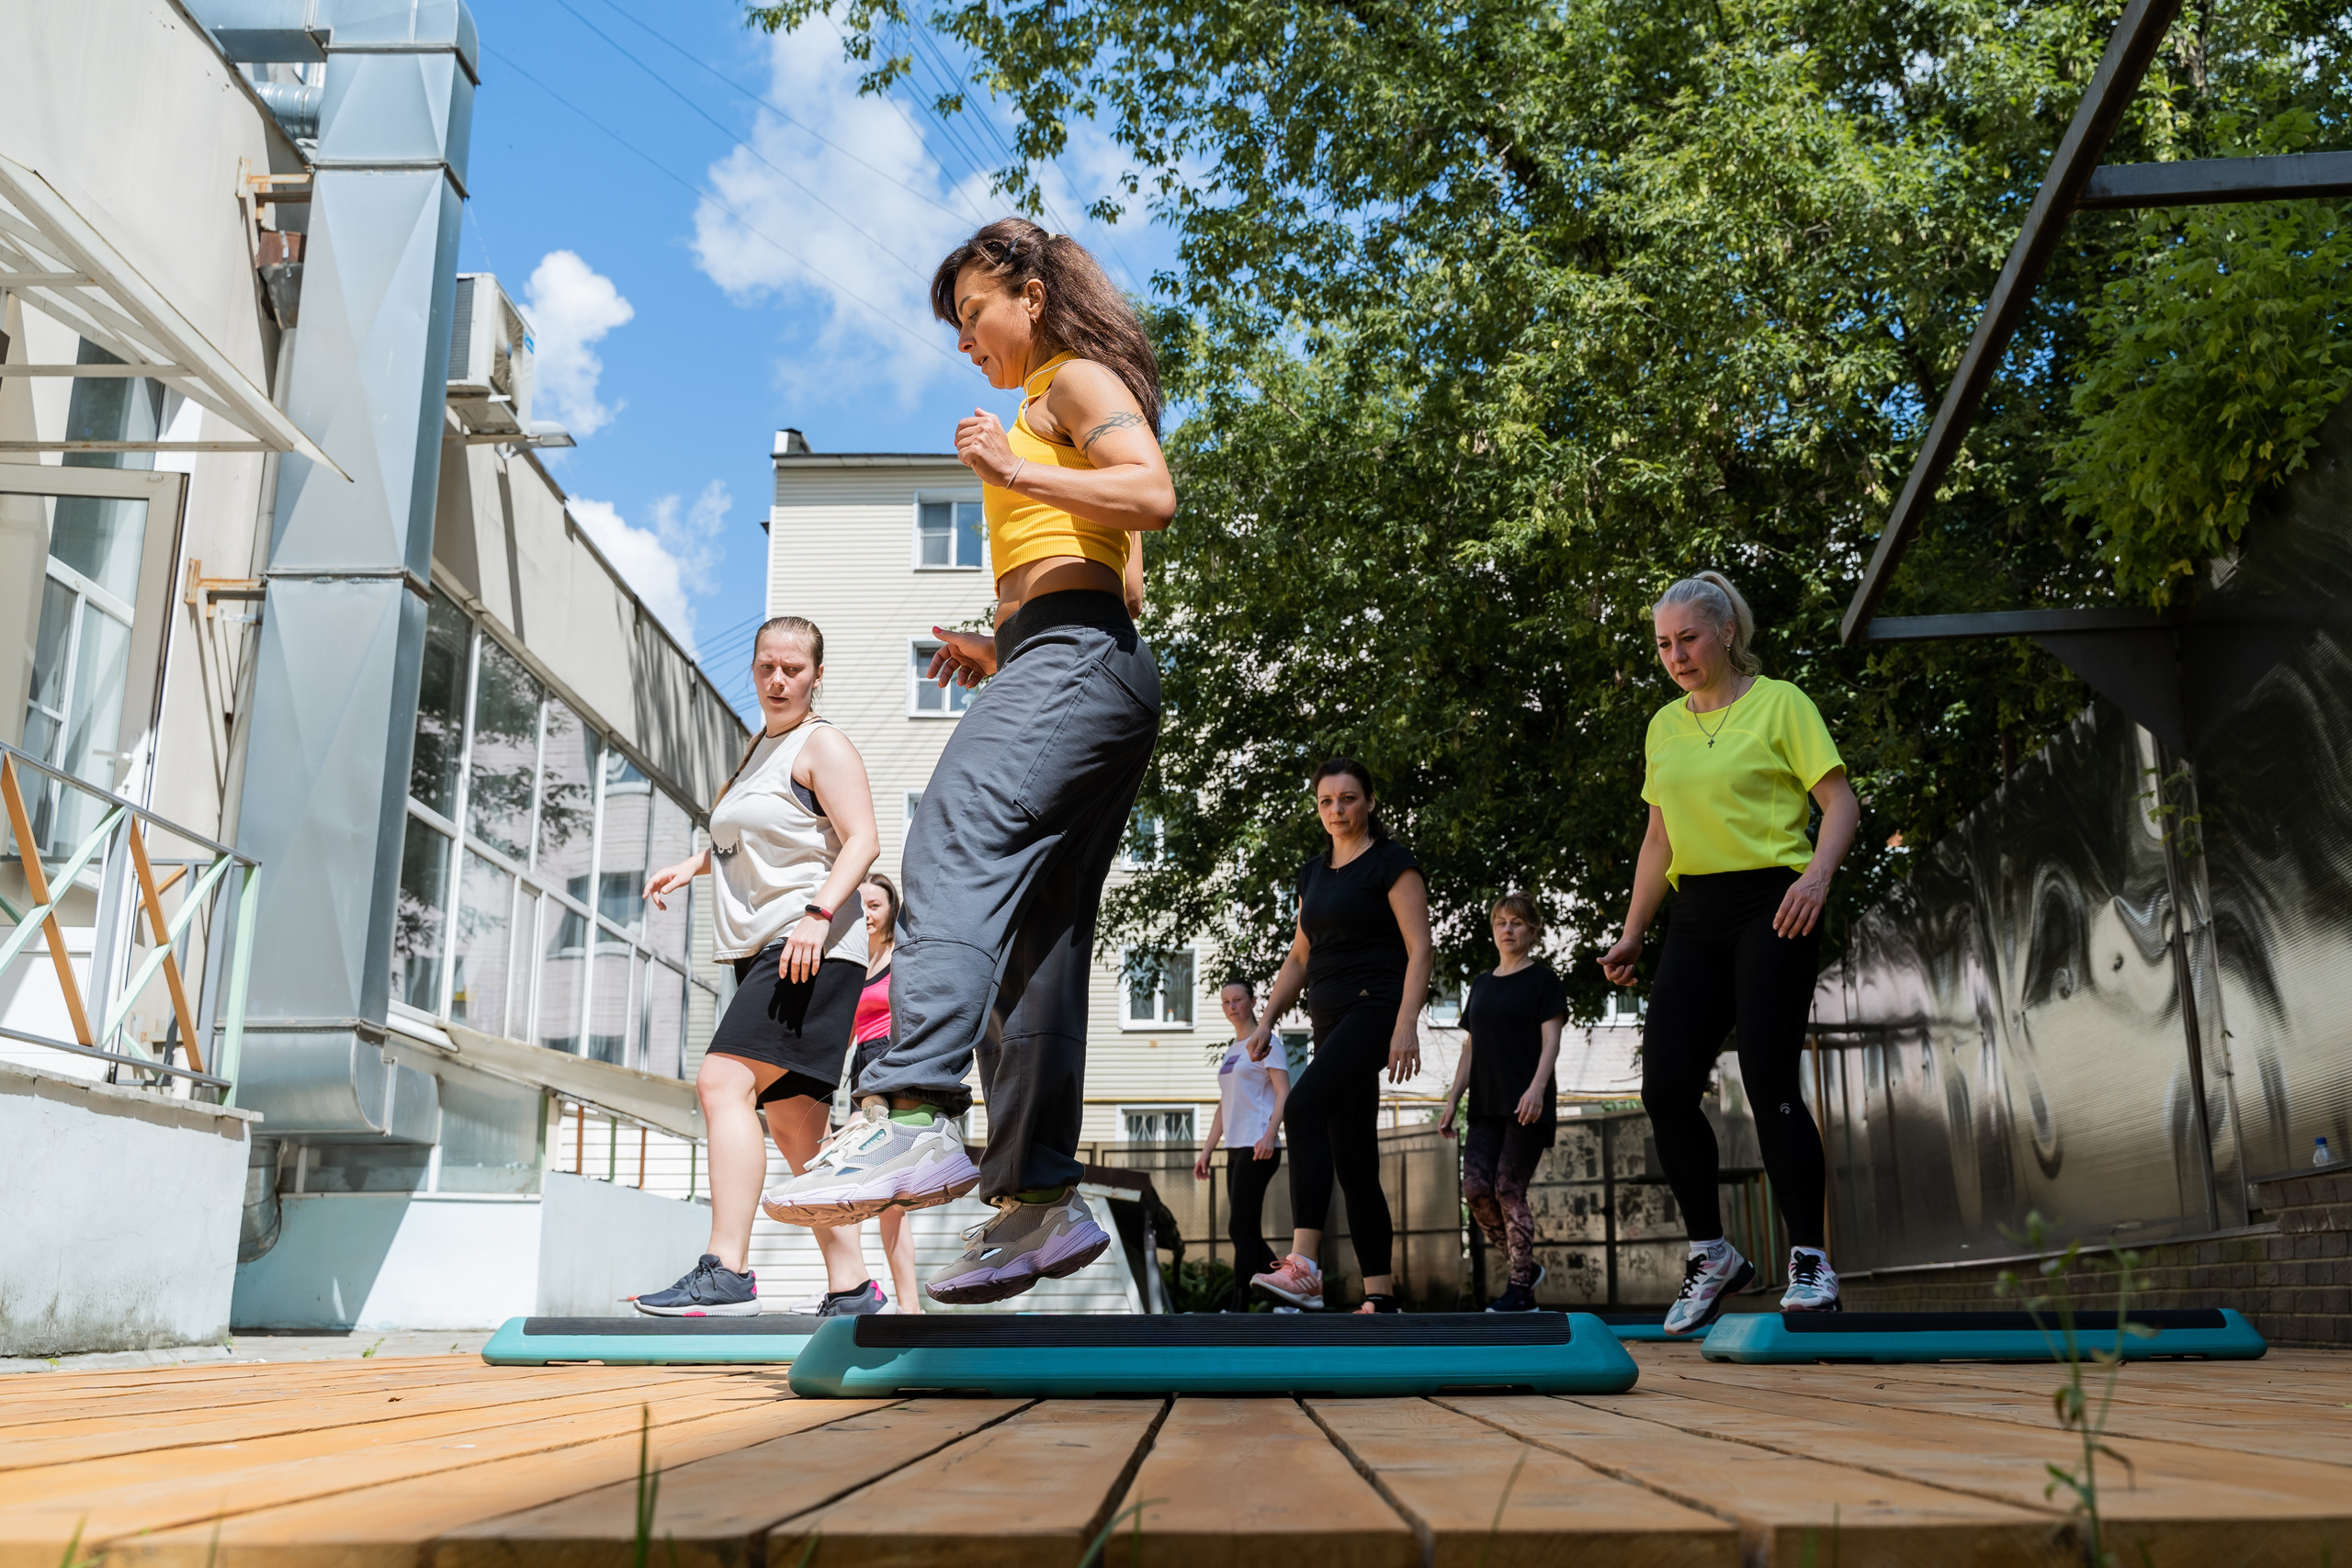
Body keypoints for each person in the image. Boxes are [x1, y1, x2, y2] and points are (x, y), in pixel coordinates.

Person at [761, 218, 1173, 1307]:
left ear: (1030, 293)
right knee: (1035, 942)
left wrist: (1009, 470)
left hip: (1082, 661)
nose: (962, 341)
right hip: (1079, 656)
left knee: (950, 834)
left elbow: (1151, 495)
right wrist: (1000, 647)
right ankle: (1037, 1199)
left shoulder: (1071, 382)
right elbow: (1115, 582)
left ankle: (907, 1111)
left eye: (972, 313)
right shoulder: (1045, 413)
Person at [1599, 570, 1859, 1334]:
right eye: (1663, 644)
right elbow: (1659, 837)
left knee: (1767, 1074)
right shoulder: (1664, 726)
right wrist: (1633, 928)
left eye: (1688, 639)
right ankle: (1712, 1252)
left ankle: (1810, 1259)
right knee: (1665, 1086)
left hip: (1773, 902)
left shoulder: (1781, 703)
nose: (1675, 655)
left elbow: (1840, 802)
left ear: (1726, 634)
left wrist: (1816, 877)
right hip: (1698, 912)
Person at [631, 616, 886, 1318]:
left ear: (816, 675)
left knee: (720, 1082)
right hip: (766, 950)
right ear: (754, 668)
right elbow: (751, 833)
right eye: (768, 667)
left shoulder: (820, 742)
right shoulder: (758, 750)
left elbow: (862, 836)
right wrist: (694, 862)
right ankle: (853, 1287)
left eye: (794, 670)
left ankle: (727, 1267)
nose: (779, 680)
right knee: (798, 1127)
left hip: (810, 947)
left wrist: (817, 911)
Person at [1239, 760, 1433, 1314]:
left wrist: (1405, 1023)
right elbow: (1300, 956)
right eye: (1327, 801)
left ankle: (1304, 1265)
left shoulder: (1393, 864)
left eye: (1348, 799)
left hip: (1375, 1010)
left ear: (1369, 802)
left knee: (1302, 1108)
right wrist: (1268, 1018)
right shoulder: (1314, 874)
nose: (1337, 810)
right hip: (1329, 1023)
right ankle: (1381, 1295)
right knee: (1353, 1160)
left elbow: (1420, 948)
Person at [1438, 894, 1566, 1313]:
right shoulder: (1481, 984)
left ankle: (1521, 1290)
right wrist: (1453, 1098)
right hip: (1485, 1105)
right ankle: (1524, 1265)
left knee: (1509, 1189)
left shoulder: (1544, 980)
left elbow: (1551, 1041)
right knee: (1476, 1191)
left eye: (1516, 923)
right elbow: (1471, 1047)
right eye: (1500, 922)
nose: (1507, 930)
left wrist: (1536, 1089)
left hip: (1527, 1103)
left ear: (1532, 931)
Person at [1193, 977, 1291, 1312]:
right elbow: (1226, 1103)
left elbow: (1283, 1093)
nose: (1231, 1006)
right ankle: (1288, 1294)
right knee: (1244, 1230)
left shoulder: (1267, 1042)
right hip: (1235, 1147)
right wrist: (1207, 1150)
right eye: (1225, 1002)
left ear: (1252, 1001)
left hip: (1259, 1145)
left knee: (1240, 1228)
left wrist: (1270, 1134)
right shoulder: (1233, 1050)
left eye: (1237, 999)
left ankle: (1240, 1305)